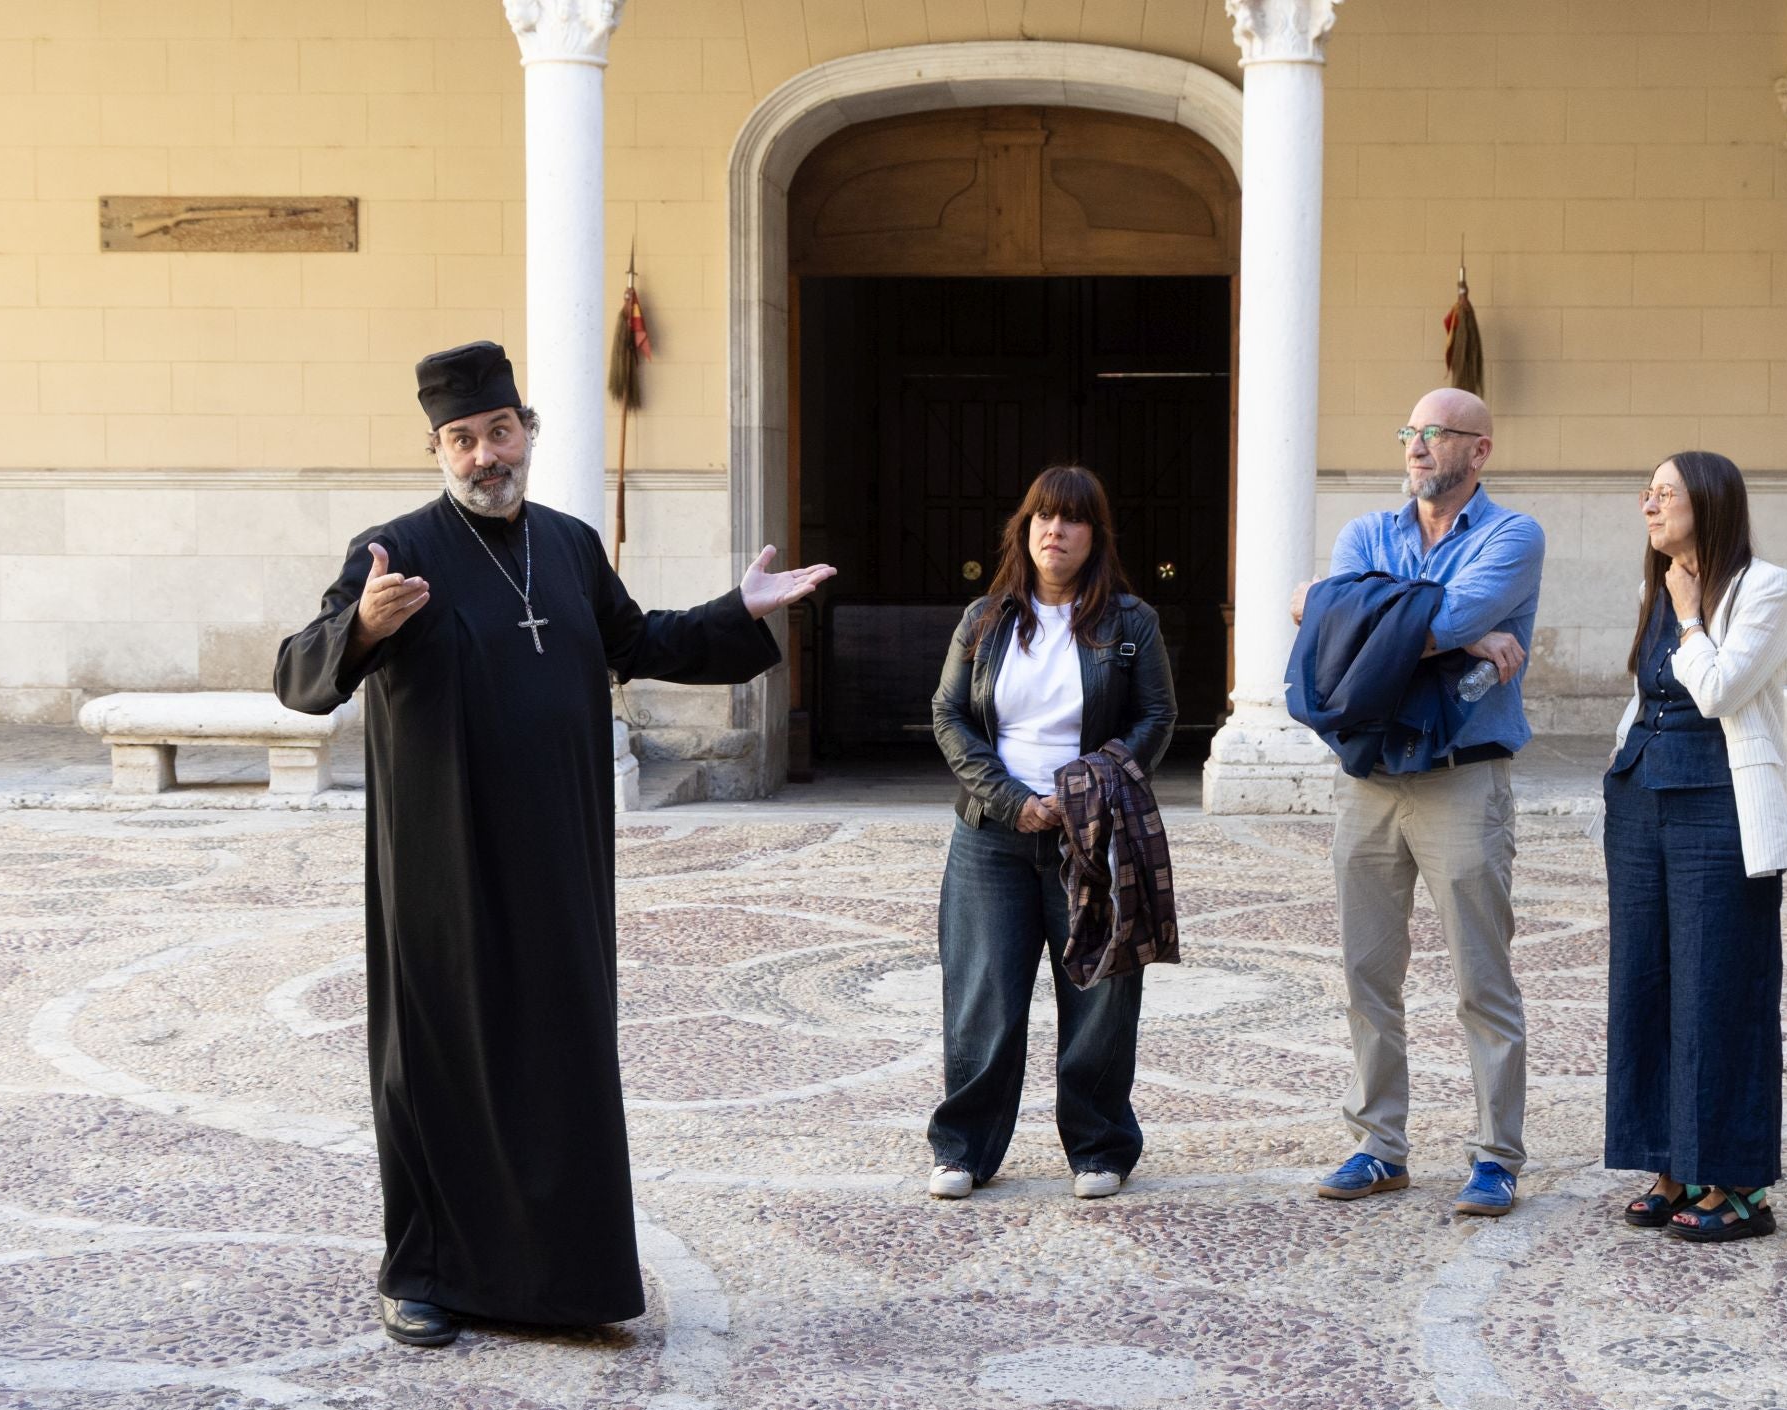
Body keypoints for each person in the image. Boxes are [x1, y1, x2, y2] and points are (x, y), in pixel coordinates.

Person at [274, 341, 834, 1346]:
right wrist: (358, 627)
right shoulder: (394, 551)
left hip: (562, 858)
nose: (486, 455)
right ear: (438, 450)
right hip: (442, 869)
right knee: (439, 1059)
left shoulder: (570, 546)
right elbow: (298, 676)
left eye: (499, 431)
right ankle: (426, 1274)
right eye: (462, 440)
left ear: (527, 432)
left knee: (558, 1062)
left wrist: (737, 611)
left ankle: (561, 1283)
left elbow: (638, 642)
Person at [1291, 388, 1544, 1218]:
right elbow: (1318, 620)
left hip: (1462, 777)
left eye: (1436, 433)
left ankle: (1496, 1156)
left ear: (1480, 450)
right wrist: (1460, 632)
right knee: (1367, 969)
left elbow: (1365, 614)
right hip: (1367, 778)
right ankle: (1379, 1145)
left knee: (1480, 975)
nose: (1416, 446)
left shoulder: (1513, 535)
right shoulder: (1367, 531)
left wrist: (1403, 619)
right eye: (1409, 432)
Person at [926, 465, 1176, 1202]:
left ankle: (1099, 1147)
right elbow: (950, 715)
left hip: (1093, 841)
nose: (1053, 531)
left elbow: (1156, 721)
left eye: (1070, 520)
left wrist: (1087, 790)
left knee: (1099, 992)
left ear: (1094, 536)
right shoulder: (985, 618)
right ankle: (964, 1149)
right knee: (983, 997)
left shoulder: (1131, 624)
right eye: (1041, 517)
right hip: (991, 839)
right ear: (1024, 528)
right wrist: (1012, 801)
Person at [1603, 452, 1787, 1243]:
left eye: (1664, 494)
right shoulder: (1658, 586)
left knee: (1721, 987)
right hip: (1641, 801)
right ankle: (1672, 1160)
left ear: (1708, 503)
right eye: (1644, 492)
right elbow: (1645, 695)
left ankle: (1740, 1182)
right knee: (1646, 984)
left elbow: (1717, 690)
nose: (1648, 505)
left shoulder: (1763, 587)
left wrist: (1688, 612)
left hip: (1719, 808)